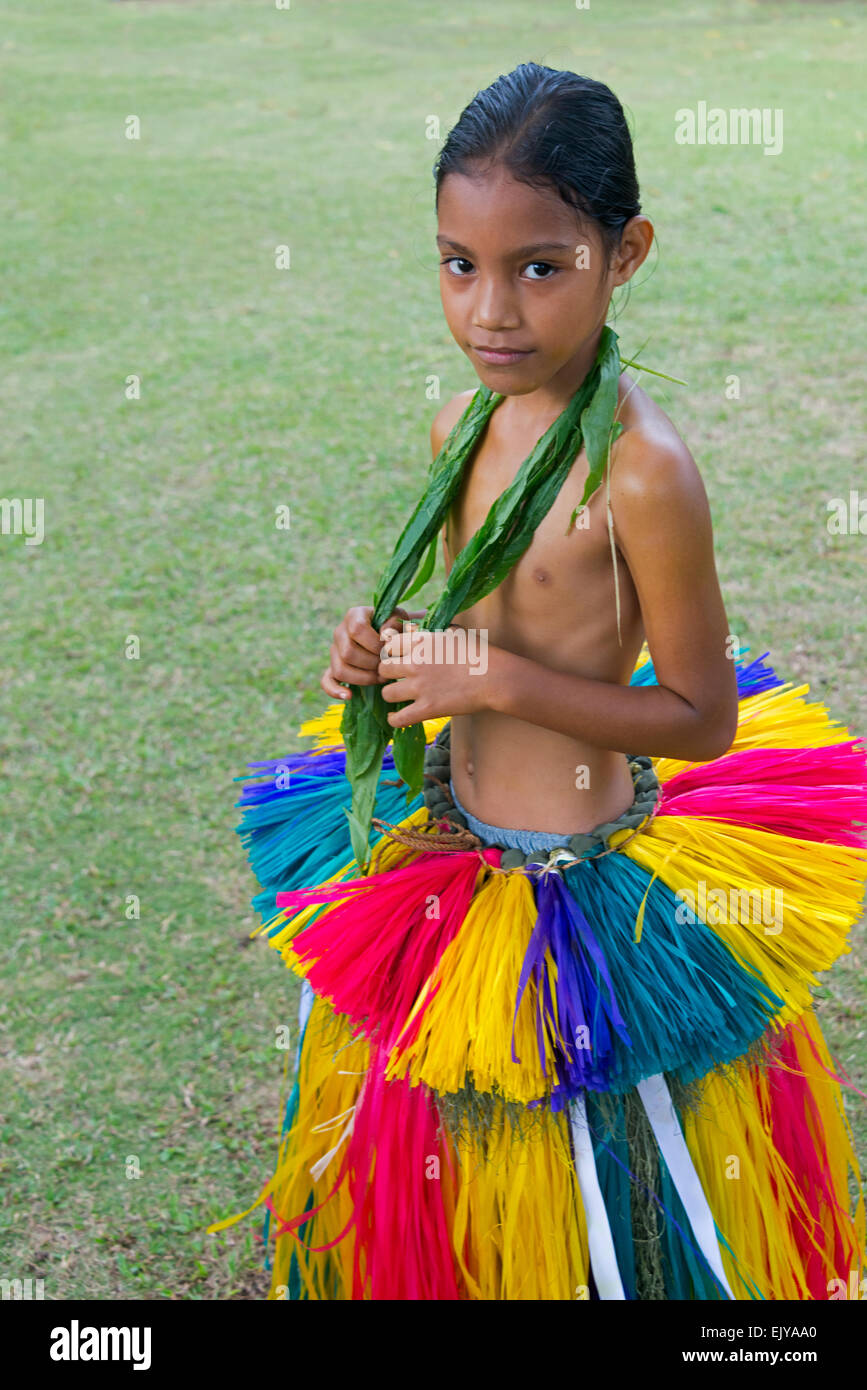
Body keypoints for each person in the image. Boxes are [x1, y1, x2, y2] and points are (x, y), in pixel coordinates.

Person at [209, 64, 866, 1301]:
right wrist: (384, 655)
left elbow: (702, 717)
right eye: (460, 264)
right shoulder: (467, 422)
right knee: (447, 1152)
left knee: (594, 1170)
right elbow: (465, 619)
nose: (491, 310)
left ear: (626, 255)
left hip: (582, 881)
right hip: (455, 844)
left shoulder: (644, 469)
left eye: (540, 267)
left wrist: (498, 678)